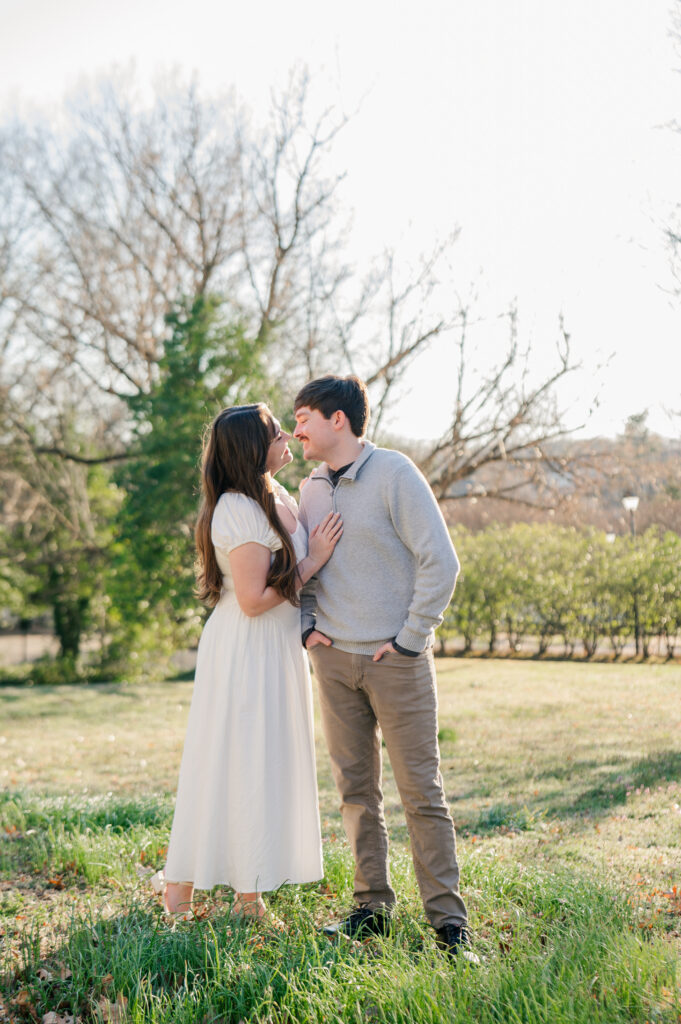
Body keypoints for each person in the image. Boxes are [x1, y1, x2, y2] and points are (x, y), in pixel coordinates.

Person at [293, 375, 475, 960]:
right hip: (333, 661)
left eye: (303, 418)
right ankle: (371, 908)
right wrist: (309, 629)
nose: (296, 431)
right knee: (355, 792)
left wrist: (408, 640)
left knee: (421, 793)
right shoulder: (311, 487)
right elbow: (304, 568)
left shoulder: (396, 474)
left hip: (395, 661)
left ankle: (449, 925)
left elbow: (440, 564)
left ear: (337, 419)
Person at [153, 403, 343, 922]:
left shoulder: (275, 494)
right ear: (249, 449)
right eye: (274, 431)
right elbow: (254, 599)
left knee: (259, 764)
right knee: (232, 762)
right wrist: (314, 561)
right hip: (246, 649)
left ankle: (245, 892)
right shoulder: (237, 508)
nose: (287, 435)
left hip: (275, 649)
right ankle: (196, 893)